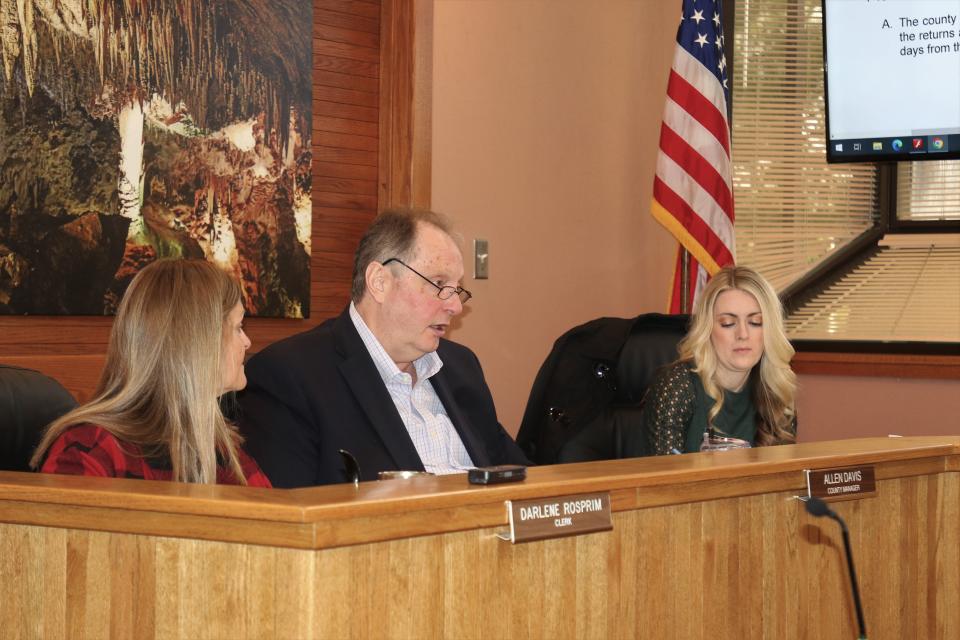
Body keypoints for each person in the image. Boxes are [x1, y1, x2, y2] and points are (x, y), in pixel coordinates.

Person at [238, 209, 528, 487]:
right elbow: (293, 518)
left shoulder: (461, 367)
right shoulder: (290, 375)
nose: (454, 306)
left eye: (457, 290)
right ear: (379, 282)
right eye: (439, 284)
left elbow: (523, 480)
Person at [31, 259, 270, 487]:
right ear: (198, 344)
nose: (247, 342)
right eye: (238, 328)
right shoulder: (91, 448)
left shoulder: (219, 447)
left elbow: (275, 522)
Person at [622, 265, 797, 456]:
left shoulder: (777, 391)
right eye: (728, 323)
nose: (743, 334)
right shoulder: (677, 386)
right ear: (708, 329)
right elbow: (666, 480)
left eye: (755, 322)